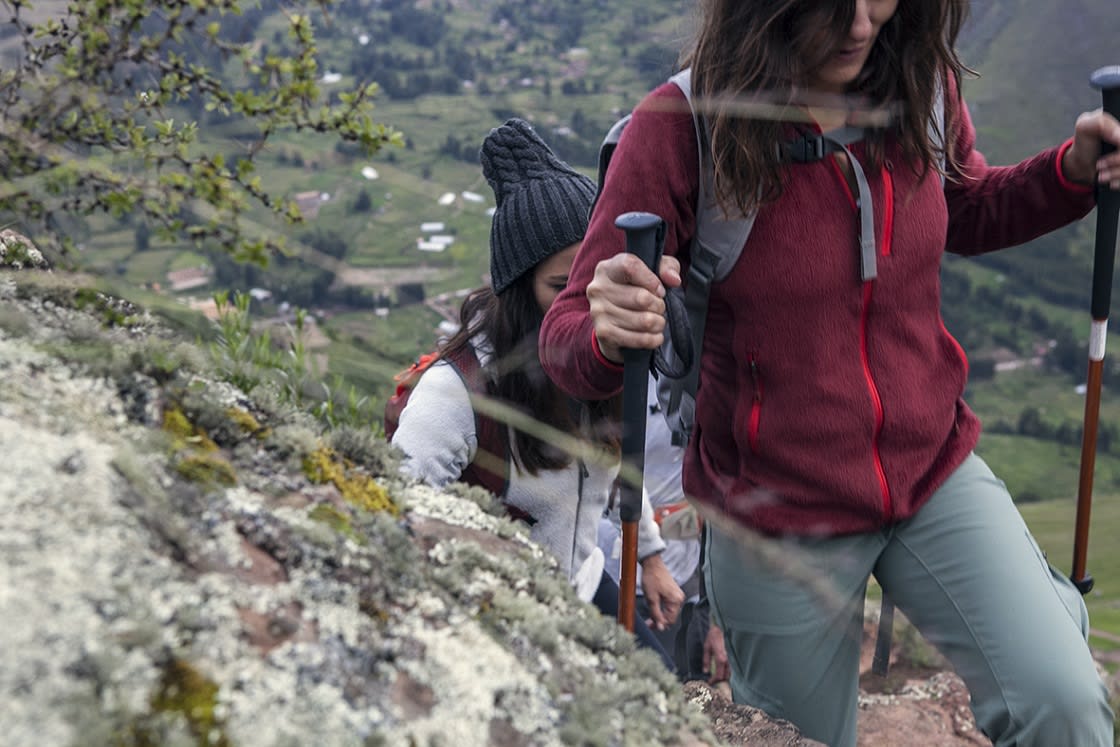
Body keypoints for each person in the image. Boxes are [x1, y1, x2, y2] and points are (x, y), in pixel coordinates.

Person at [538, 1, 1120, 745]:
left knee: (1064, 702)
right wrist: (607, 332)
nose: (859, 22)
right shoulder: (682, 126)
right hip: (775, 512)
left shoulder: (921, 85)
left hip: (931, 470)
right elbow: (566, 342)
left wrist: (1068, 174)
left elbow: (964, 205)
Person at [390, 118, 684, 667]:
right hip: (502, 611)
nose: (584, 301)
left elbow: (623, 456)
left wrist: (650, 557)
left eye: (592, 279)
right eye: (560, 286)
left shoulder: (602, 356)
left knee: (660, 684)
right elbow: (396, 506)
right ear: (518, 290)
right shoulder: (458, 393)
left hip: (582, 581)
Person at [598, 375, 731, 684]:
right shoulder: (608, 373)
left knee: (686, 694)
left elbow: (723, 495)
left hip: (689, 583)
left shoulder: (699, 372)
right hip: (614, 575)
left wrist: (720, 619)